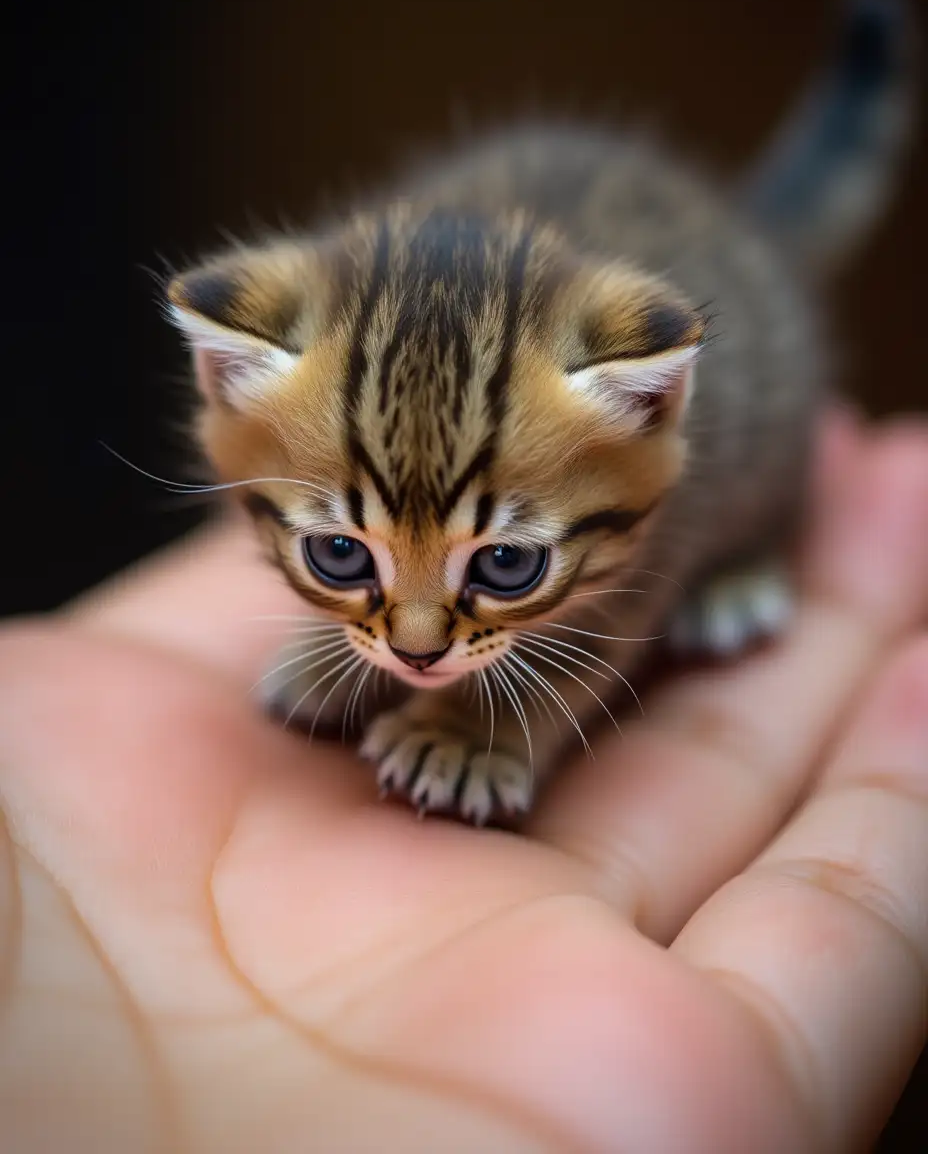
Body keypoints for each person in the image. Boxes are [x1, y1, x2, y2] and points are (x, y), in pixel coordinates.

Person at [1, 405, 927, 1153]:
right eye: (341, 553)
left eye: (505, 562)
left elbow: (625, 590)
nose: (414, 640)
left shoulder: (617, 456)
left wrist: (494, 731)